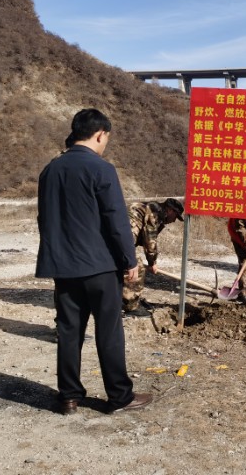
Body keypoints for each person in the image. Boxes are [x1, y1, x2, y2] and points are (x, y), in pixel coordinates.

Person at [35, 108, 152, 415]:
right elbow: (116, 220)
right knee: (109, 330)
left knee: (69, 330)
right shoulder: (101, 169)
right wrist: (129, 260)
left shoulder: (51, 169)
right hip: (100, 265)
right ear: (100, 134)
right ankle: (119, 396)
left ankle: (68, 397)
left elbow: (44, 219)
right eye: (106, 138)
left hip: (64, 266)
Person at [122, 198, 184, 316]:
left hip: (114, 236)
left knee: (120, 267)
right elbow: (150, 241)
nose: (174, 220)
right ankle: (132, 306)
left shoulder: (150, 208)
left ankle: (124, 298)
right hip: (118, 239)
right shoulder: (154, 213)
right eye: (176, 216)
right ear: (170, 210)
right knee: (136, 266)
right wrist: (152, 263)